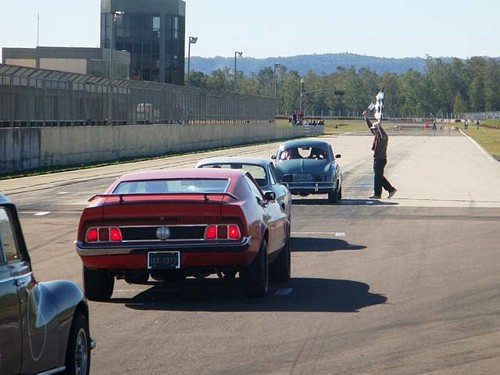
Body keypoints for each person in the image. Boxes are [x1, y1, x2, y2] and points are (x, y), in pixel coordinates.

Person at [363, 110, 397, 199]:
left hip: (381, 159)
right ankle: (390, 190)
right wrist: (366, 118)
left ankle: (379, 194)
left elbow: (381, 133)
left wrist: (378, 126)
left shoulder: (383, 137)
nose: (373, 131)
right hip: (377, 158)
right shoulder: (377, 136)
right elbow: (371, 127)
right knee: (379, 176)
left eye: (375, 130)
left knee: (377, 177)